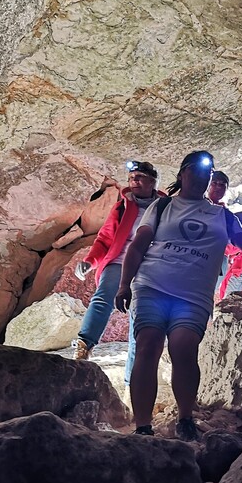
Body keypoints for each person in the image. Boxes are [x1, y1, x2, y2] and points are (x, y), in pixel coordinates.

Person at [115, 151, 242, 440]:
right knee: (147, 345)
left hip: (192, 294)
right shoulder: (163, 205)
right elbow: (139, 244)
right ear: (182, 174)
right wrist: (124, 283)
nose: (203, 176)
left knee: (183, 348)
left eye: (208, 172)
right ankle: (143, 426)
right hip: (152, 284)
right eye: (197, 170)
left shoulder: (222, 216)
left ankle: (185, 418)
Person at [72, 161, 164, 393]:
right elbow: (104, 239)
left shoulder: (165, 207)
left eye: (140, 177)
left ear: (153, 182)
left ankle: (132, 386)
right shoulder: (123, 207)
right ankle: (84, 346)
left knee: (139, 321)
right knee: (104, 296)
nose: (134, 181)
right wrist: (90, 261)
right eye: (132, 177)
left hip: (148, 267)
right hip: (119, 261)